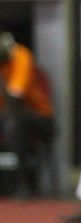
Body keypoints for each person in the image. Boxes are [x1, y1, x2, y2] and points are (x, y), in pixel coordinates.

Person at [0, 30, 54, 196]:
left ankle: (23, 183)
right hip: (5, 116)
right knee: (10, 122)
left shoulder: (20, 55)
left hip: (38, 116)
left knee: (13, 125)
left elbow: (15, 101)